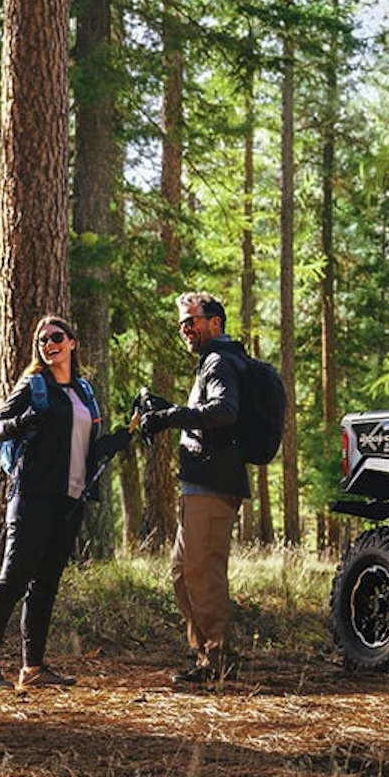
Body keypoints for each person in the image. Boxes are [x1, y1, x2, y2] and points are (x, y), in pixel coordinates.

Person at [0, 315, 128, 692]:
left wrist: (116, 441)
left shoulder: (84, 391)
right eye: (42, 341)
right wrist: (23, 421)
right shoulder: (34, 385)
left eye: (56, 337)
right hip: (32, 496)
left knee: (45, 585)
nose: (49, 344)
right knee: (13, 579)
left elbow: (85, 447)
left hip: (70, 499)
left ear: (72, 342)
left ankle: (33, 668)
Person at [137, 291, 249, 685]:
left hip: (214, 483)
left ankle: (218, 661)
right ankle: (205, 657)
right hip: (200, 483)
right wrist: (168, 410)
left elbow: (225, 411)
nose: (185, 329)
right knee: (183, 573)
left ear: (215, 322)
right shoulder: (212, 362)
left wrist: (169, 417)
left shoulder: (219, 361)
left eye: (192, 321)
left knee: (202, 572)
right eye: (182, 323)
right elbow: (205, 415)